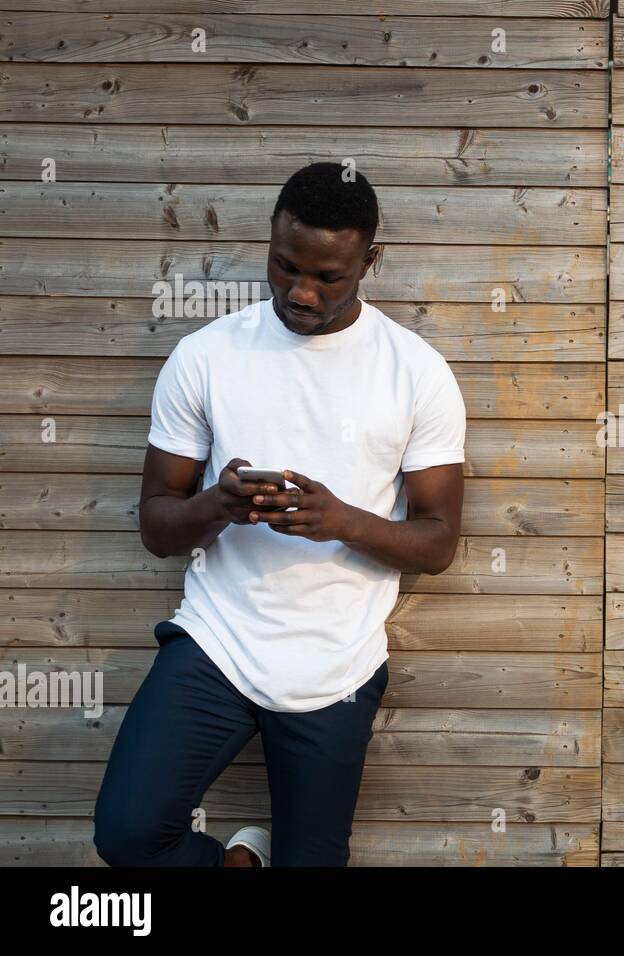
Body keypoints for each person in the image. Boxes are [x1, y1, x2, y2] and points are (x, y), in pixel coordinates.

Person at [93, 163, 467, 866]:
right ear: (270, 239)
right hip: (217, 645)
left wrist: (340, 520)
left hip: (336, 662)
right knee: (127, 835)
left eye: (329, 276)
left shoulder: (416, 373)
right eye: (285, 266)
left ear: (369, 261)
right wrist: (217, 505)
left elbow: (438, 540)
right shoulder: (205, 357)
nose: (301, 291)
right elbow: (156, 525)